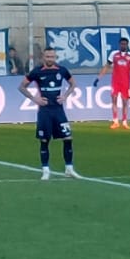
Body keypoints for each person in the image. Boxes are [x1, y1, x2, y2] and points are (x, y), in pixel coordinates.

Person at [23, 47, 78, 180]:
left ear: (55, 57)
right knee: (44, 140)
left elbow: (73, 84)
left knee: (68, 138)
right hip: (45, 111)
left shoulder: (62, 70)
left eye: (52, 57)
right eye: (48, 57)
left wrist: (65, 96)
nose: (50, 59)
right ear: (43, 57)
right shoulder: (37, 71)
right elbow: (22, 87)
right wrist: (35, 99)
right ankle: (46, 170)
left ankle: (69, 169)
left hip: (58, 110)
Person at [101, 37, 130, 130]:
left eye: (125, 44)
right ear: (119, 45)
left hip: (126, 82)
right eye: (122, 44)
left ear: (127, 45)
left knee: (125, 102)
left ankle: (124, 121)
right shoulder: (114, 54)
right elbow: (107, 66)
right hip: (115, 82)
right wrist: (99, 77)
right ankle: (115, 121)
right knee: (114, 100)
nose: (123, 45)